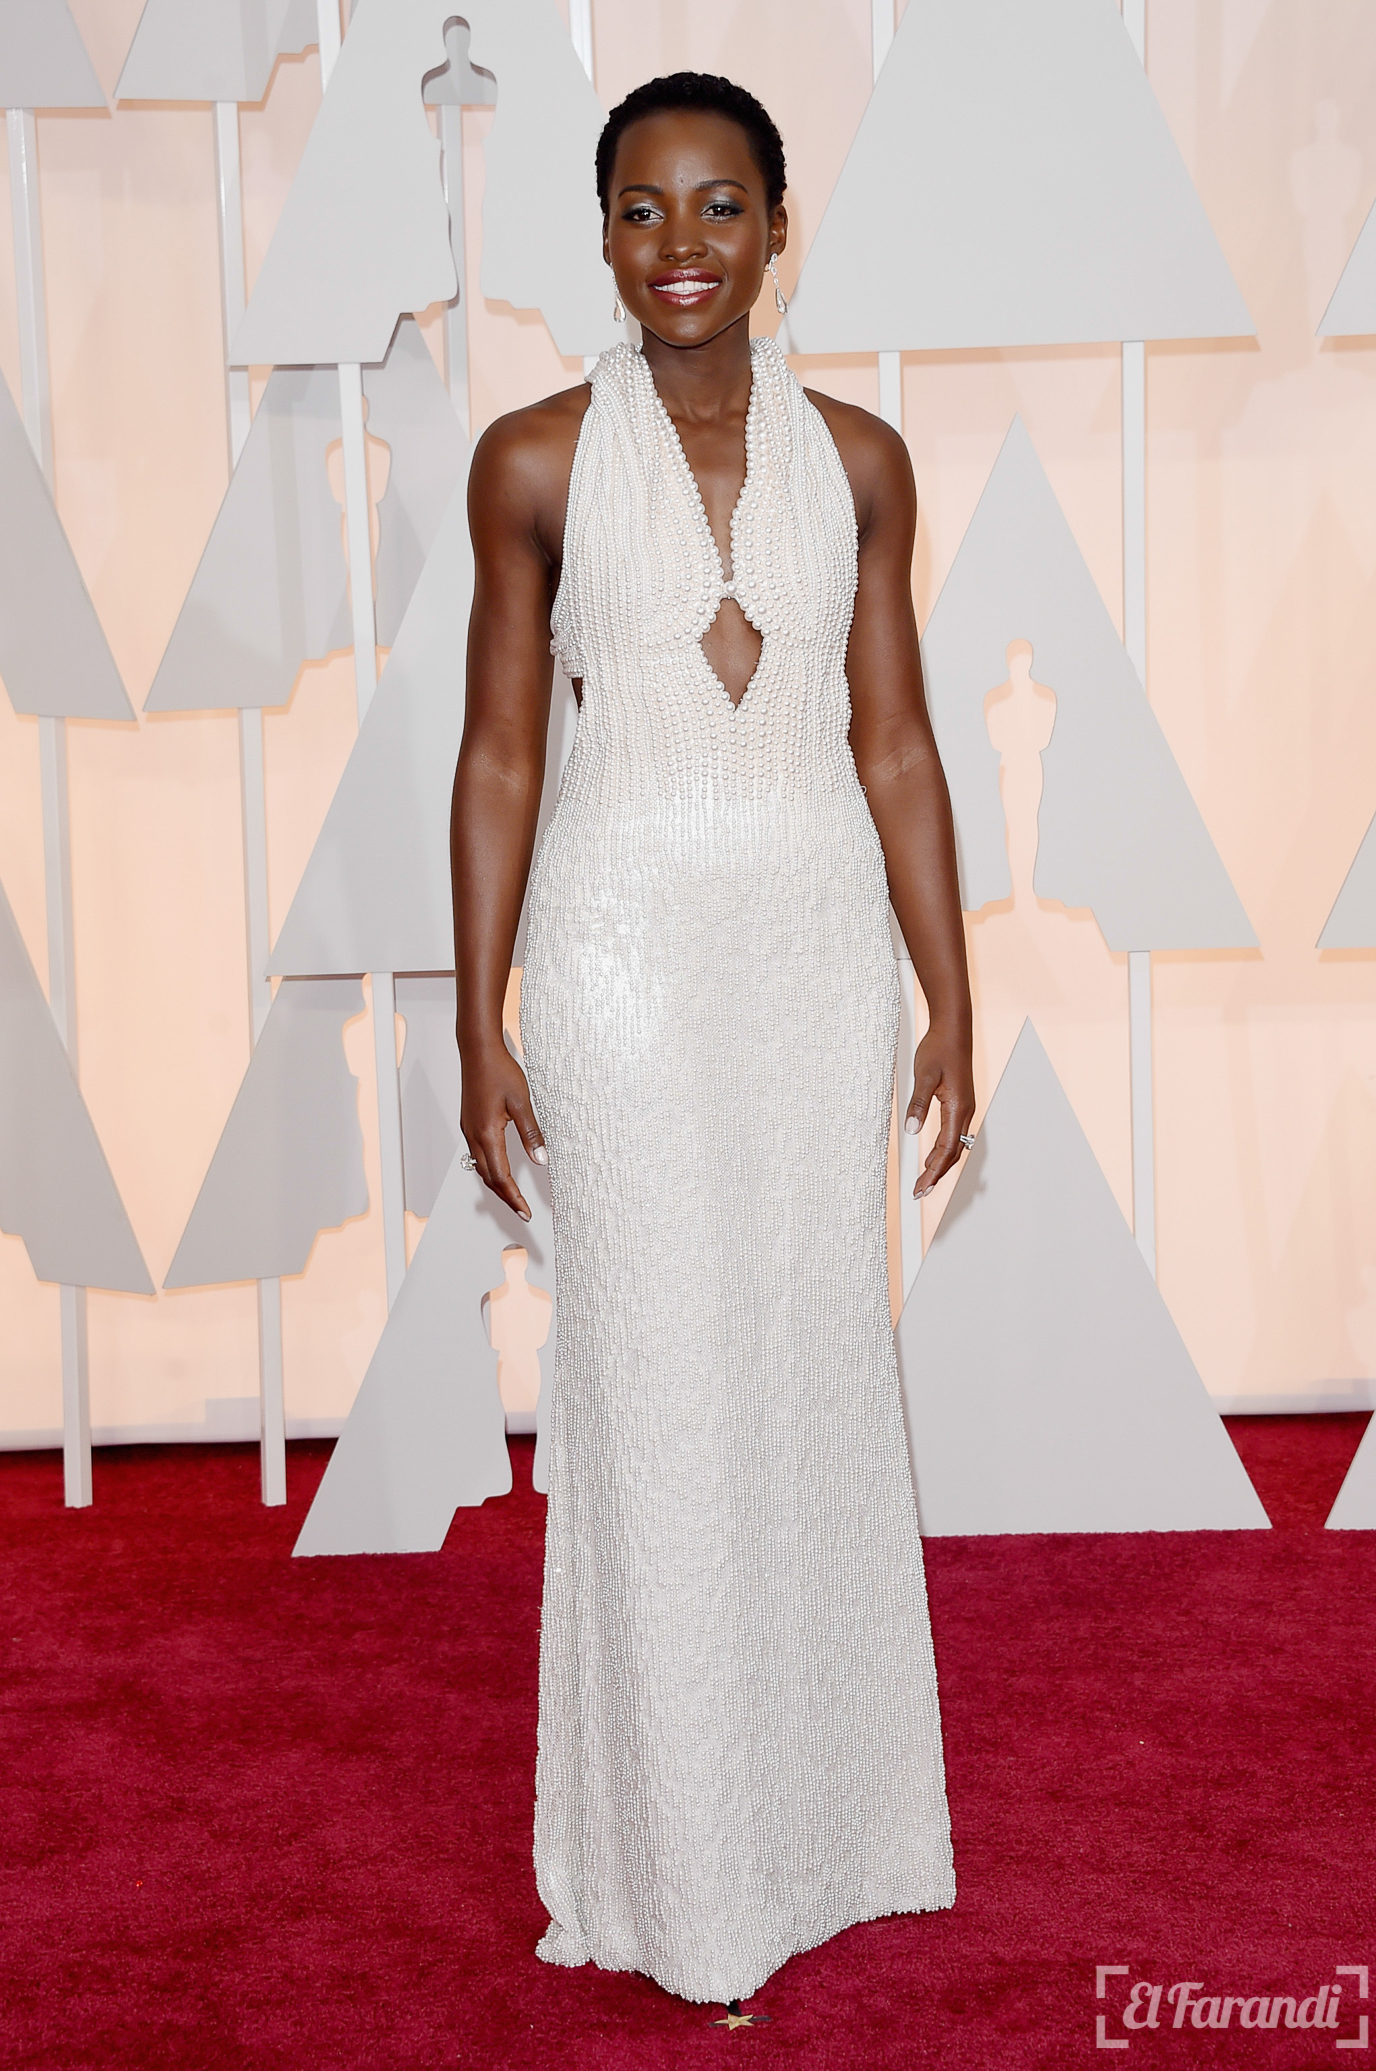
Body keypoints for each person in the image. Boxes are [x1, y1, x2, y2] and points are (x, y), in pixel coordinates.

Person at [450, 70, 975, 2010]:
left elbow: (895, 743)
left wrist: (949, 985)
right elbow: (500, 756)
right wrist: (481, 1011)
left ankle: (827, 1833)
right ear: (600, 235)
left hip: (815, 960)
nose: (681, 244)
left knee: (808, 1372)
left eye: (719, 204)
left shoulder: (863, 459)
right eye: (641, 209)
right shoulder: (526, 461)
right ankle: (678, 1876)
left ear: (776, 227)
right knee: (657, 1392)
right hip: (617, 958)